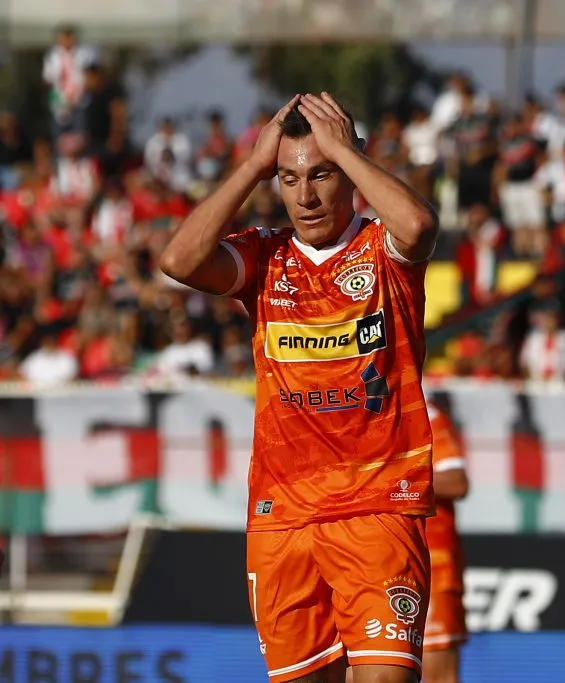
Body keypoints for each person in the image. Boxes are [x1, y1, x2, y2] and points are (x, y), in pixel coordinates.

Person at [160, 93, 439, 683]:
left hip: (376, 508)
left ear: (351, 170)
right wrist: (253, 165)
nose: (305, 196)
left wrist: (343, 147)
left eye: (322, 174)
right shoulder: (266, 256)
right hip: (281, 518)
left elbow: (418, 225)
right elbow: (179, 260)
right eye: (289, 178)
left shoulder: (382, 250)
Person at [422, 401, 470, 683]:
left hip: (431, 566)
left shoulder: (425, 413)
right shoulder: (342, 411)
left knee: (438, 675)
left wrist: (390, 478)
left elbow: (456, 482)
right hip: (364, 561)